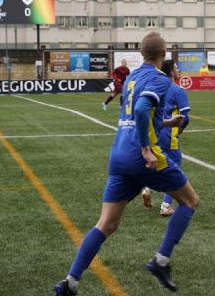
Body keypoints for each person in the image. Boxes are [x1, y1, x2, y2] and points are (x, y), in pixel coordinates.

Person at [54, 32, 200, 295]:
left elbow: (134, 114)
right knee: (190, 202)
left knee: (106, 224)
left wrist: (166, 123)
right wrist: (146, 149)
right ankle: (161, 260)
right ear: (163, 53)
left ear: (141, 53)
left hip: (119, 154)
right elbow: (143, 109)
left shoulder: (132, 77)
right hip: (142, 156)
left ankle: (70, 281)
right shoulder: (160, 79)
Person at [142, 59, 191, 217]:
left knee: (160, 165)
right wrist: (181, 129)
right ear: (171, 72)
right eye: (176, 68)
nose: (178, 71)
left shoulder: (156, 88)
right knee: (174, 170)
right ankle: (165, 206)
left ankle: (148, 187)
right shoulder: (178, 90)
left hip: (155, 133)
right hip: (170, 136)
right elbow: (185, 117)